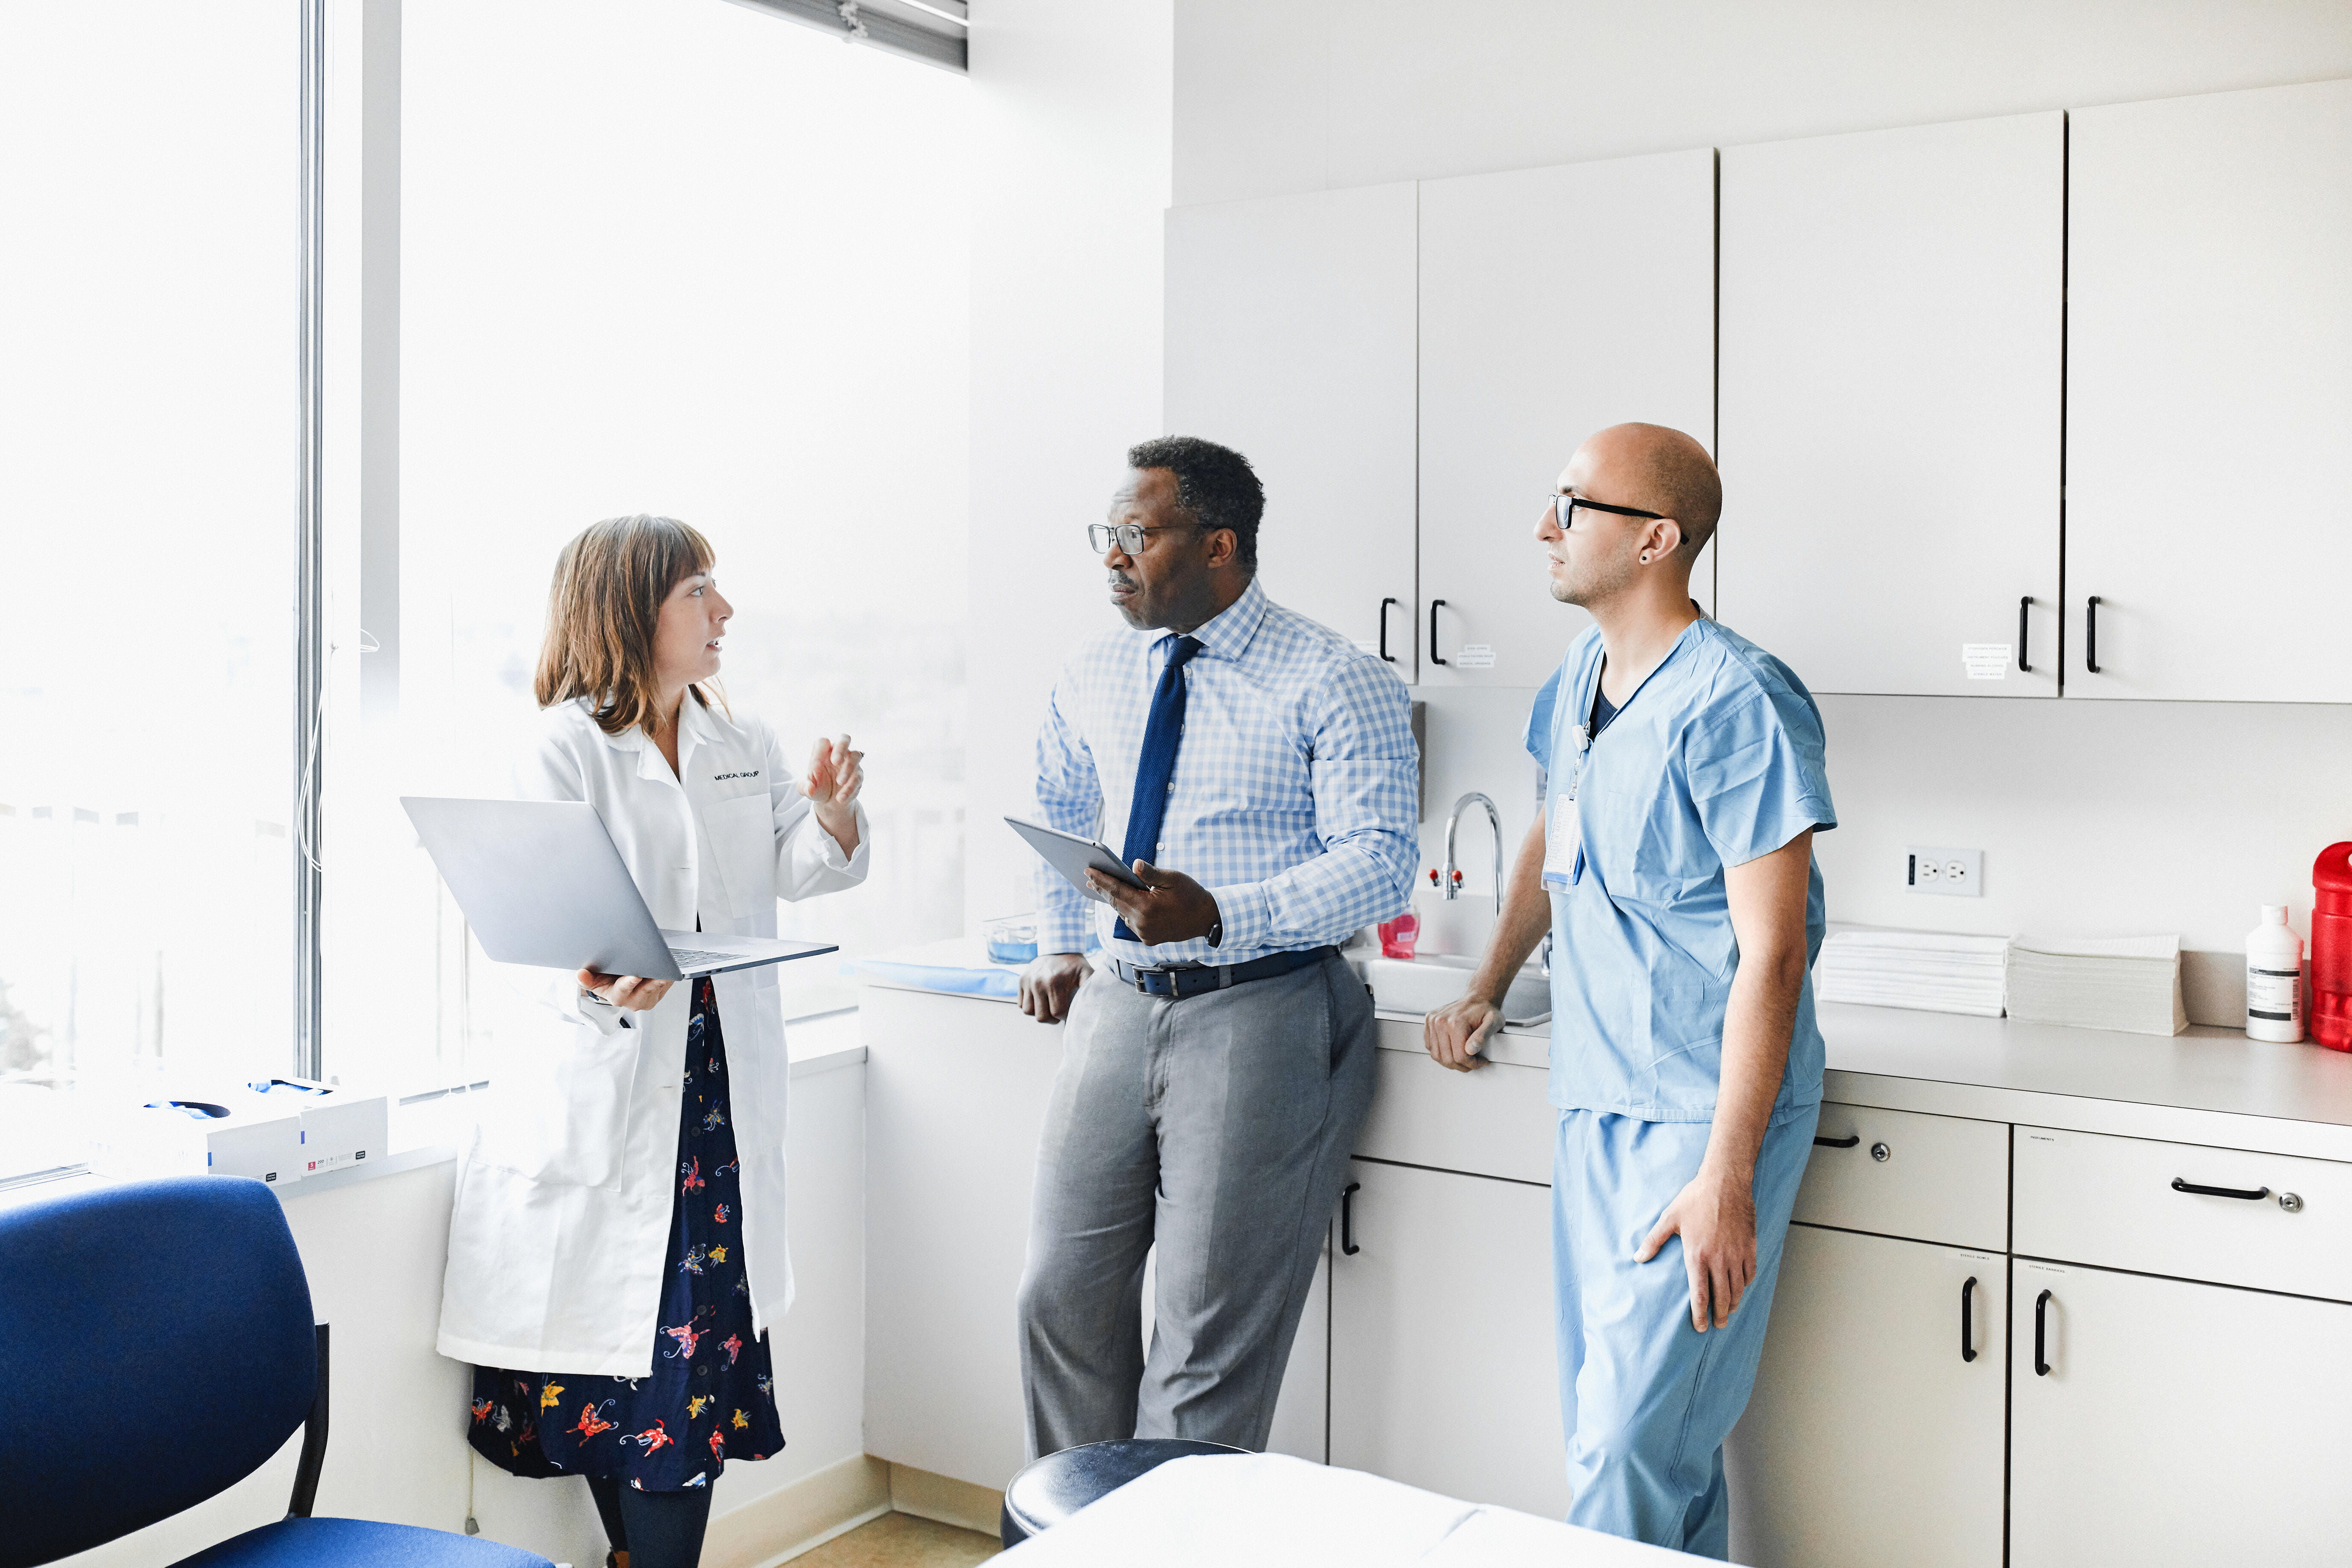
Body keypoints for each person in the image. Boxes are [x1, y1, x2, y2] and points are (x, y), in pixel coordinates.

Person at [1424, 424, 1835, 1559]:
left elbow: (1774, 955)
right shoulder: (1578, 677)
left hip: (1700, 1116)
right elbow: (1551, 833)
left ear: (1655, 539)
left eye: (1572, 504)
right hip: (1593, 1097)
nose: (1542, 526)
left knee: (1623, 1449)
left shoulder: (1737, 698)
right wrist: (1487, 983)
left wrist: (1727, 1176)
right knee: (1637, 1452)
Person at [437, 515, 869, 1568]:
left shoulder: (739, 740)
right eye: (698, 592)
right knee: (620, 1370)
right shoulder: (559, 747)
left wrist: (832, 815)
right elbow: (525, 919)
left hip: (713, 1095)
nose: (725, 611)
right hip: (612, 1080)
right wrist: (596, 979)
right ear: (632, 611)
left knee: (685, 1374)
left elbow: (800, 866)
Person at [1014, 436, 1418, 1455]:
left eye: (1137, 534)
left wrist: (1218, 914)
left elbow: (1379, 863)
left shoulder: (1336, 678)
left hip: (1260, 1007)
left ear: (1218, 545)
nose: (1112, 556)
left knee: (1205, 1337)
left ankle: (1170, 1532)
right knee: (1057, 1298)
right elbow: (1058, 804)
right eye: (1106, 534)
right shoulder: (1092, 671)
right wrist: (1060, 941)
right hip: (1115, 1001)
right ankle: (1080, 1529)